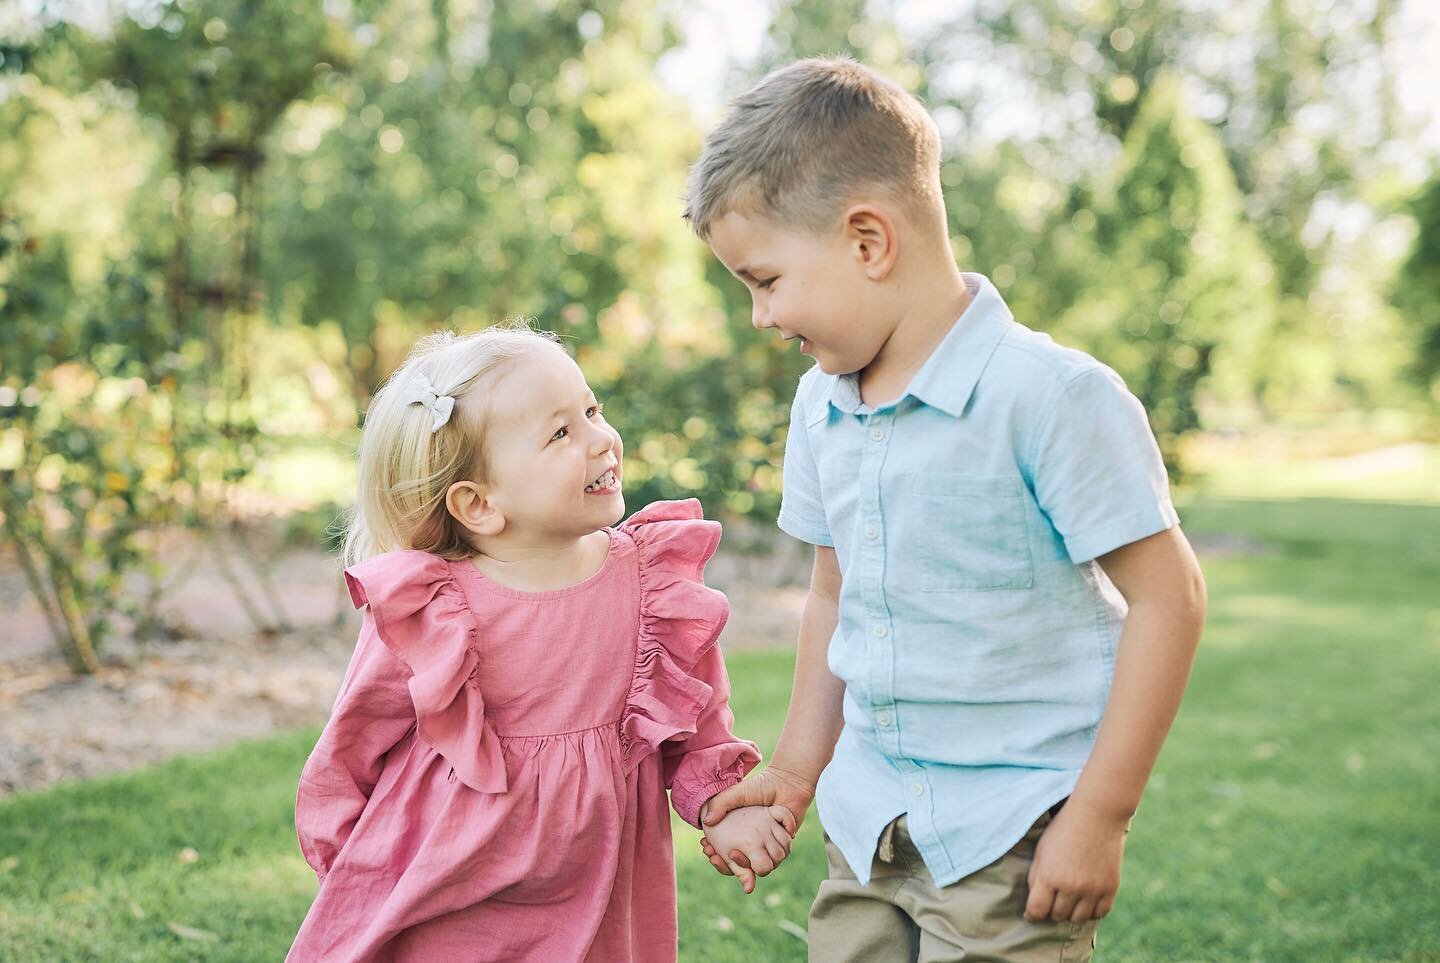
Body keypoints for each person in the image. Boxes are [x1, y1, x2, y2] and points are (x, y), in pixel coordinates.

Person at [686, 58, 1208, 962]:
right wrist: (797, 769)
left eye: (764, 281)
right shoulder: (820, 404)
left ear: (867, 241)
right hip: (869, 819)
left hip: (1012, 832)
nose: (762, 317)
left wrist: (1101, 815)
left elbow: (1169, 598)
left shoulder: (1050, 398)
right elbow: (830, 596)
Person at [287, 323, 795, 962]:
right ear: (478, 504)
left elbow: (697, 727)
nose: (600, 440)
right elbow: (350, 748)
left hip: (597, 884)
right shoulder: (433, 607)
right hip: (451, 885)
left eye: (592, 410)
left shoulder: (650, 586)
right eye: (560, 433)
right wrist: (351, 872)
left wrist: (722, 805)